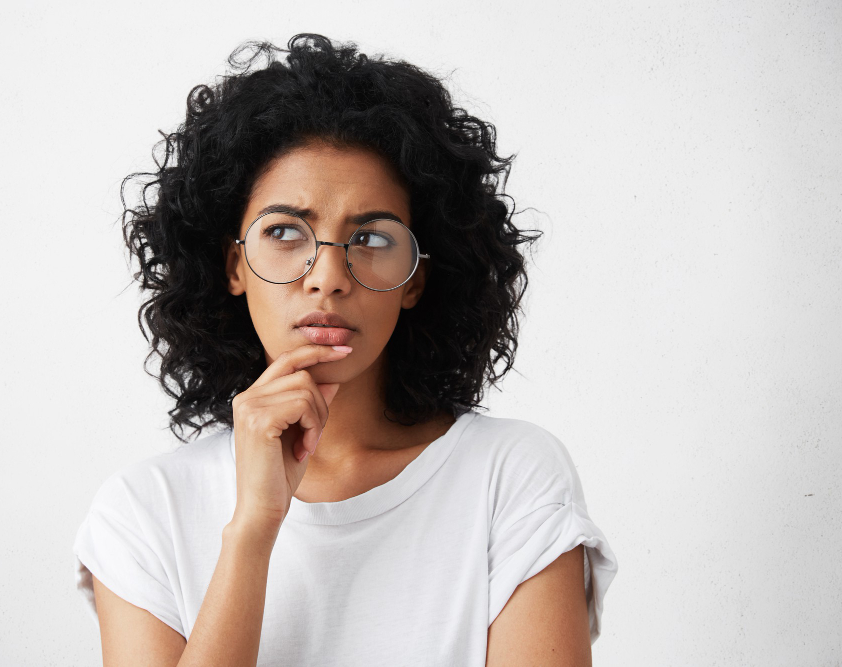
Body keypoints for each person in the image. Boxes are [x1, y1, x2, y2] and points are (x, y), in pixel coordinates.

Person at [73, 33, 618, 666]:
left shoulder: (511, 477)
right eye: (284, 232)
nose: (328, 275)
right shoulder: (145, 510)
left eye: (372, 238)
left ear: (414, 279)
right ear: (235, 266)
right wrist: (253, 528)